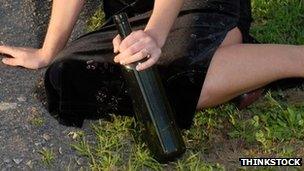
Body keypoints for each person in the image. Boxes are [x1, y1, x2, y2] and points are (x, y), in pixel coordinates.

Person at [0, 0, 303, 129]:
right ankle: (233, 58)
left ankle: (294, 59)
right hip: (131, 13)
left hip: (198, 3)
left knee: (172, 80)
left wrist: (155, 35)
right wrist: (49, 51)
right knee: (67, 75)